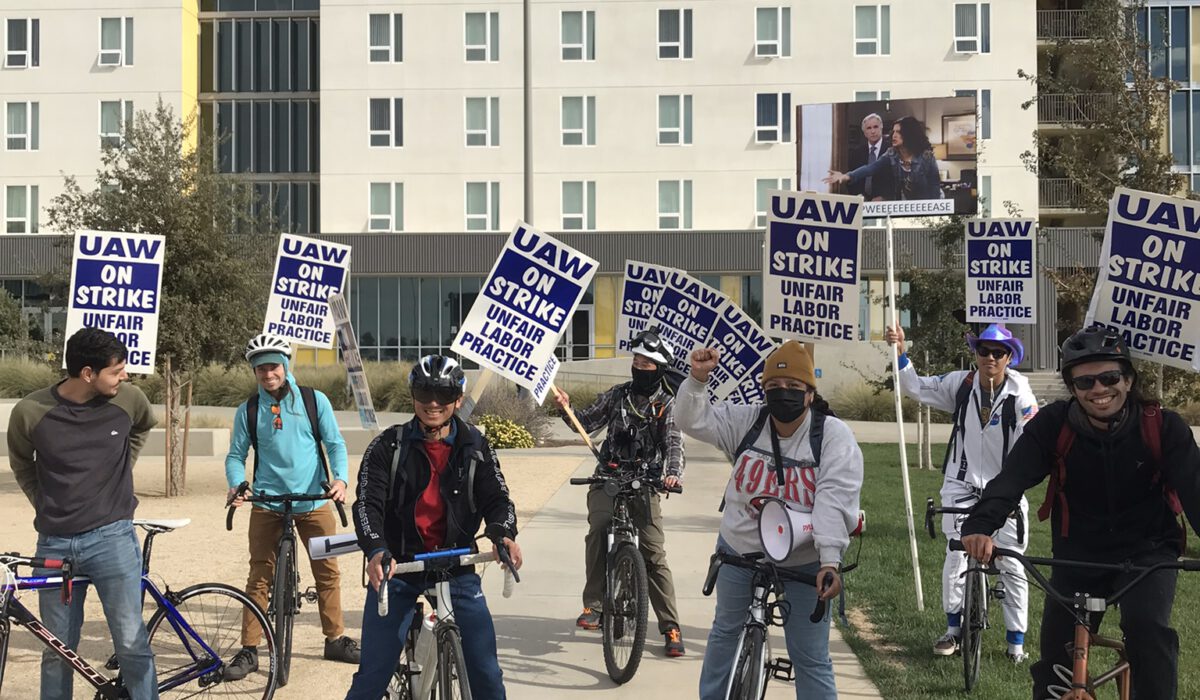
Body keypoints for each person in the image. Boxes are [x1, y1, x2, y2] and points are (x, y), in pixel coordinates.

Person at [961, 325, 1200, 699]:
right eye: (1085, 382)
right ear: (1072, 387)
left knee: (1147, 628)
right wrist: (981, 525)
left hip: (1148, 551)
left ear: (1129, 378)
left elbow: (1195, 490)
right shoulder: (1054, 425)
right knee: (1056, 656)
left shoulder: (1163, 427)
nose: (1099, 390)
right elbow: (1012, 478)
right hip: (1079, 554)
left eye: (1110, 377)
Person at [675, 340, 863, 700]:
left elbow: (833, 501)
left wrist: (829, 561)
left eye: (794, 387)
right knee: (725, 633)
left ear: (810, 393)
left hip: (804, 559)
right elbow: (692, 421)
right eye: (774, 388)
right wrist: (698, 379)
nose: (783, 394)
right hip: (739, 549)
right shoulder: (748, 421)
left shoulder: (832, 436)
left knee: (810, 656)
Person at [345, 354, 521, 700]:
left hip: (456, 566)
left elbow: (498, 500)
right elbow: (367, 504)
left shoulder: (475, 445)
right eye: (425, 394)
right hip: (400, 566)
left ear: (459, 399)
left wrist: (503, 533)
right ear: (413, 397)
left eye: (443, 395)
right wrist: (377, 549)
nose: (433, 403)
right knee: (372, 678)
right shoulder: (386, 446)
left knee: (487, 675)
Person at [8, 328, 158, 700]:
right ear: (87, 373)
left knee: (131, 645)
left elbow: (142, 427)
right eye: (117, 370)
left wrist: (123, 464)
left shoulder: (130, 400)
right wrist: (42, 502)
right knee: (57, 650)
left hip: (113, 540)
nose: (125, 376)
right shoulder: (31, 411)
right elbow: (22, 463)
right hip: (54, 545)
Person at [884, 323, 1036, 662]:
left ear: (1009, 357)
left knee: (1011, 563)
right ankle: (953, 629)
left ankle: (1016, 645)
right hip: (961, 484)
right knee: (956, 554)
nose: (991, 358)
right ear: (976, 354)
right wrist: (900, 352)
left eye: (998, 353)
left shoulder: (1021, 393)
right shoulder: (960, 384)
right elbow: (915, 387)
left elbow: (1034, 434)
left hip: (1005, 490)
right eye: (984, 351)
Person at [224, 333, 359, 679]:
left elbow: (335, 444)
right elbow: (236, 455)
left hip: (313, 500)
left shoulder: (316, 401)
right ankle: (250, 649)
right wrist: (237, 484)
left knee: (327, 570)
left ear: (285, 367)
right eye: (261, 369)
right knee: (259, 574)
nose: (268, 375)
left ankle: (336, 638)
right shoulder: (249, 410)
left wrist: (340, 481)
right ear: (254, 372)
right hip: (268, 502)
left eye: (273, 367)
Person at [553, 328, 687, 657]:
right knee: (598, 529)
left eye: (648, 362)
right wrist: (566, 407)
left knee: (653, 553)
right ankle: (595, 606)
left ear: (661, 367)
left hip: (646, 482)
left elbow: (674, 444)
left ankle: (670, 626)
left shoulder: (668, 405)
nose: (639, 366)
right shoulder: (616, 396)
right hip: (608, 477)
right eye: (636, 360)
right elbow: (584, 421)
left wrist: (672, 475)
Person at [824, 115, 943, 201]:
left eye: (899, 132)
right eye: (894, 131)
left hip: (926, 204)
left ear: (909, 134)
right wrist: (846, 176)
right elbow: (871, 168)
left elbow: (934, 187)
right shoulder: (892, 153)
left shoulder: (926, 156)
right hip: (904, 205)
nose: (894, 135)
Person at [845, 112, 894, 201]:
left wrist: (885, 197)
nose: (873, 131)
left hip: (885, 203)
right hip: (862, 202)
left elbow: (896, 180)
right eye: (869, 128)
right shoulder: (856, 153)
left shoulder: (891, 150)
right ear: (864, 133)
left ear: (881, 128)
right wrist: (858, 195)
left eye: (875, 127)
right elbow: (851, 181)